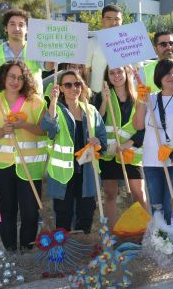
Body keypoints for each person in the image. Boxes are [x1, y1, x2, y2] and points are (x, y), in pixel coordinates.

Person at [0, 61, 47, 250]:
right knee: (7, 211)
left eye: (20, 77)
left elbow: (46, 131)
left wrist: (24, 125)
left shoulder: (36, 101)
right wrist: (3, 130)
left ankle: (27, 249)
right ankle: (10, 251)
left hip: (30, 166)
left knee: (30, 212)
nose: (15, 81)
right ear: (3, 76)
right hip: (0, 167)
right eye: (12, 76)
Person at [41, 70, 106, 233]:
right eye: (68, 85)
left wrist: (98, 143)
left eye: (77, 84)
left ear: (82, 86)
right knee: (64, 214)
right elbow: (49, 129)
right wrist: (53, 102)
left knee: (86, 212)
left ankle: (82, 246)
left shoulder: (91, 110)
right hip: (63, 173)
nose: (73, 88)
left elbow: (102, 140)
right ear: (61, 88)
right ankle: (63, 249)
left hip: (87, 172)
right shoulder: (56, 110)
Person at [133, 59, 173, 223]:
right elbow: (138, 125)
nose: (172, 76)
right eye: (167, 73)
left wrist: (172, 144)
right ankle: (160, 245)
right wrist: (140, 101)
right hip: (152, 162)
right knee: (157, 209)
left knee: (172, 209)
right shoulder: (150, 98)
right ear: (159, 76)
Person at [93, 65, 147, 229]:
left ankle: (143, 231)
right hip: (109, 154)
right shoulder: (101, 96)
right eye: (112, 73)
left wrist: (128, 143)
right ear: (107, 76)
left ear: (127, 73)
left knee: (138, 193)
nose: (116, 76)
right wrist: (104, 101)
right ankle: (111, 233)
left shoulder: (138, 96)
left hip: (132, 152)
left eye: (119, 72)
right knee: (110, 193)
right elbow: (96, 123)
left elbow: (145, 125)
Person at [0, 9, 54, 95]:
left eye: (21, 25)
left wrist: (53, 49)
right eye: (12, 24)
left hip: (34, 106)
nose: (17, 28)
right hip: (4, 107)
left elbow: (49, 66)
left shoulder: (37, 49)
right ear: (5, 28)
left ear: (27, 29)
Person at [88, 4, 123, 93]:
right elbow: (86, 71)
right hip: (97, 93)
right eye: (108, 19)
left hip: (124, 95)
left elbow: (137, 69)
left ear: (121, 21)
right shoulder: (92, 42)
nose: (113, 23)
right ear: (102, 21)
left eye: (116, 19)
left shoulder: (130, 42)